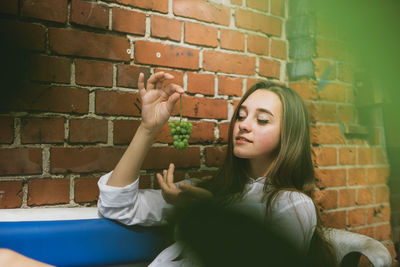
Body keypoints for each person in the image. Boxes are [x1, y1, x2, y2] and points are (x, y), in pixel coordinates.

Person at [97, 72, 335, 266]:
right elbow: (117, 205)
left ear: (289, 136)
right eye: (241, 116)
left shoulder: (293, 204)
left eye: (262, 120)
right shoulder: (208, 189)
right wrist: (148, 128)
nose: (244, 125)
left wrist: (208, 211)